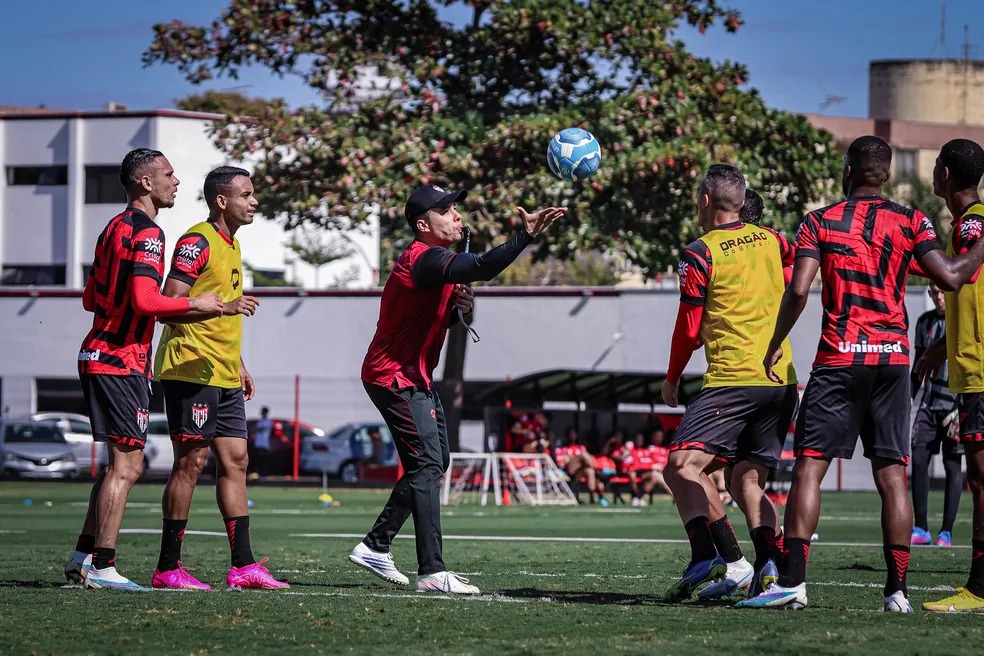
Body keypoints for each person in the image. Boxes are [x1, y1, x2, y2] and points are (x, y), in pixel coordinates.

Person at [738, 135, 984, 613]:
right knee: (893, 475)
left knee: (810, 465)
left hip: (839, 358)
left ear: (848, 171)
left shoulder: (819, 221)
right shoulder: (913, 220)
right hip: (892, 359)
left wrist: (774, 341)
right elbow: (951, 276)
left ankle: (793, 582)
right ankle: (897, 592)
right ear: (888, 174)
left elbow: (799, 291)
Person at [350, 183, 566, 594]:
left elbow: (440, 317)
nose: (456, 215)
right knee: (428, 464)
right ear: (422, 224)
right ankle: (432, 571)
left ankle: (376, 545)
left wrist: (460, 308)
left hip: (412, 376)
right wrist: (526, 235)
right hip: (393, 377)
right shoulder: (425, 258)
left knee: (435, 461)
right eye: (446, 209)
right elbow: (482, 266)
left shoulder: (439, 262)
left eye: (454, 208)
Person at [64, 149, 223, 590]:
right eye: (170, 175)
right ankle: (103, 565)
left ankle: (82, 556)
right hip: (120, 359)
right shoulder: (149, 233)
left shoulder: (112, 227)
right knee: (129, 467)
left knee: (117, 464)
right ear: (146, 184)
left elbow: (90, 298)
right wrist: (199, 303)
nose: (177, 182)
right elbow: (145, 301)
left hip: (98, 352)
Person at [661, 164, 798, 602]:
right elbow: (799, 279)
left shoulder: (700, 252)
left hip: (733, 379)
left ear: (705, 200)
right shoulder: (775, 240)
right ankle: (767, 567)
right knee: (746, 482)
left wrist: (672, 377)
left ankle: (710, 555)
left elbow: (688, 327)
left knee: (682, 465)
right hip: (781, 379)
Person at [151, 166, 288, 591]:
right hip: (190, 366)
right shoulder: (197, 241)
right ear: (221, 201)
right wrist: (223, 309)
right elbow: (166, 303)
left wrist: (240, 363)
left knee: (237, 462)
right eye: (246, 194)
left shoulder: (232, 244)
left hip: (224, 372)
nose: (254, 201)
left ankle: (243, 566)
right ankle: (167, 567)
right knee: (191, 463)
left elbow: (220, 312)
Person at [917, 139, 984, 613]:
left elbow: (956, 280)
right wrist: (936, 351)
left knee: (981, 480)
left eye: (936, 165)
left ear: (944, 174)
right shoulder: (967, 224)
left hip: (980, 372)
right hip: (967, 367)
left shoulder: (973, 224)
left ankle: (979, 588)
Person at [909, 282, 962, 548]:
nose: (939, 297)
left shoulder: (961, 319)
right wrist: (907, 398)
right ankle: (921, 528)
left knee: (953, 465)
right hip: (929, 406)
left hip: (955, 405)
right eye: (934, 292)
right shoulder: (924, 322)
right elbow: (919, 365)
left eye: (942, 292)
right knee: (918, 457)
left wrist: (964, 406)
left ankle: (946, 533)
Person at [554, 427, 607, 506]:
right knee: (583, 455)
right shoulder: (562, 448)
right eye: (571, 434)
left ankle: (592, 498)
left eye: (574, 434)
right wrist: (574, 460)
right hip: (568, 472)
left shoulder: (580, 447)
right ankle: (598, 470)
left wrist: (574, 460)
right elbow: (561, 464)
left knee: (590, 471)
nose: (573, 436)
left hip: (578, 473)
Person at [253, 406, 274, 477]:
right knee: (258, 460)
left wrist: (256, 429)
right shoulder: (260, 421)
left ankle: (264, 473)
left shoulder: (267, 421)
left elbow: (259, 429)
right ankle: (258, 473)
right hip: (258, 443)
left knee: (263, 460)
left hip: (264, 444)